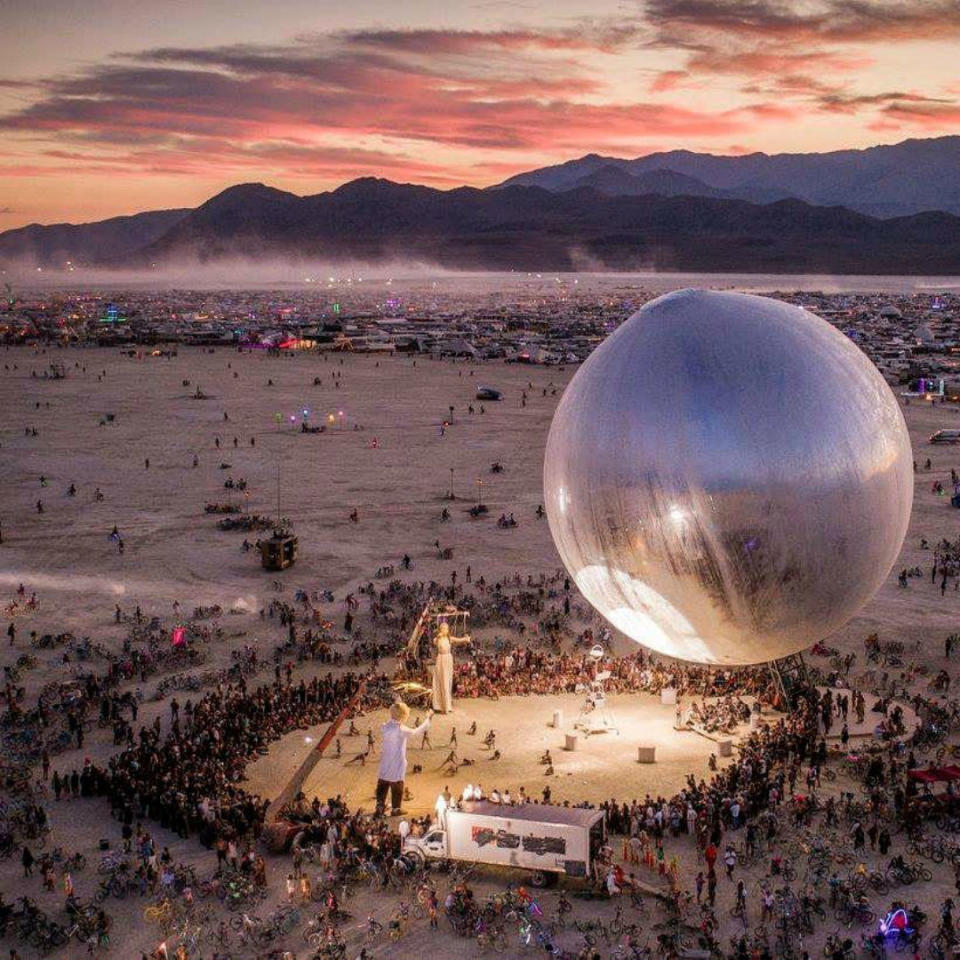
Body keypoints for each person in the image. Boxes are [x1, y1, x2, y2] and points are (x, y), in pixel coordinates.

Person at [376, 702, 432, 816]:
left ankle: (379, 806)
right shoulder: (401, 729)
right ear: (403, 715)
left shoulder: (385, 726)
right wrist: (428, 719)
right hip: (397, 762)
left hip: (385, 761)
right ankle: (396, 809)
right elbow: (416, 732)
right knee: (397, 785)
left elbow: (389, 720)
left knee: (382, 783)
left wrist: (397, 704)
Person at [431, 621, 471, 713]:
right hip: (440, 659)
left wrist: (466, 639)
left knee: (447, 682)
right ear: (440, 629)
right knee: (440, 681)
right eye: (443, 628)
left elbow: (459, 640)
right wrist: (439, 635)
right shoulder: (437, 639)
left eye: (446, 628)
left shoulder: (449, 639)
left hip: (448, 658)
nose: (445, 630)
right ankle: (439, 706)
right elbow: (435, 642)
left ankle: (447, 706)